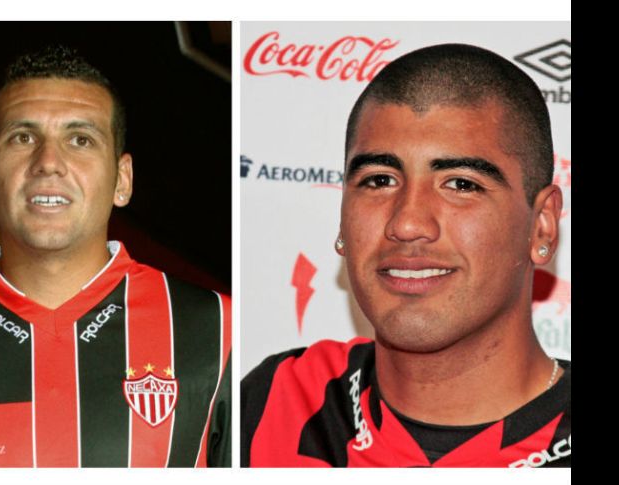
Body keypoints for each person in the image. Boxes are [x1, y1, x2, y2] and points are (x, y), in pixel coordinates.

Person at [241, 43, 570, 468]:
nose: (408, 223)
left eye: (461, 184)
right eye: (379, 180)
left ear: (542, 225)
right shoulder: (276, 401)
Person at [0, 45, 231, 468]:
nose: (49, 162)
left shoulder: (219, 330)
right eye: (23, 137)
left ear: (122, 181)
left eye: (80, 140)